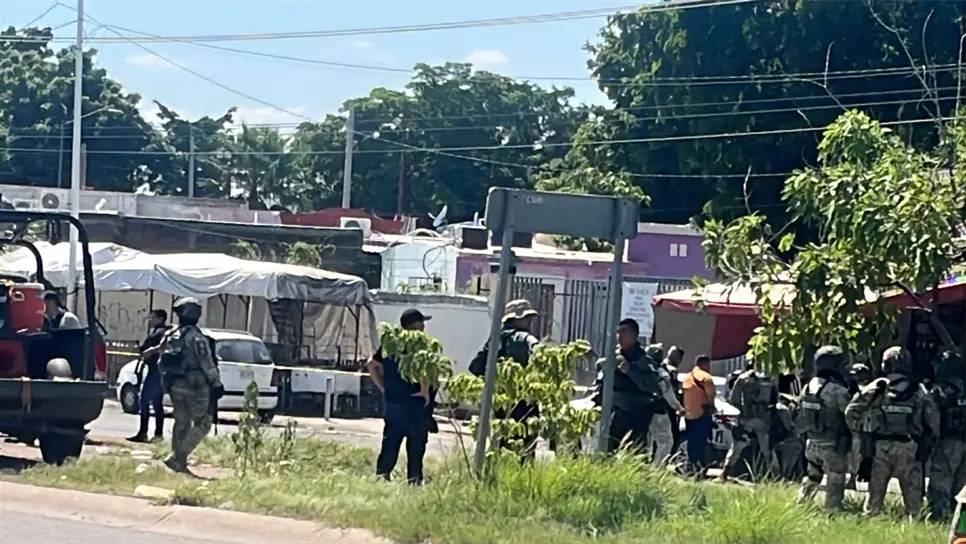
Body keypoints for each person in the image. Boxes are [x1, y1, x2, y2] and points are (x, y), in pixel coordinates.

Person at [845, 346, 941, 517]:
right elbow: (933, 422)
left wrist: (861, 434)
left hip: (880, 448)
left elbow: (851, 411)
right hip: (910, 447)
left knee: (873, 502)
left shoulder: (878, 386)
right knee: (914, 507)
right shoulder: (918, 389)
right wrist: (928, 441)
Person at [367, 308, 433, 484]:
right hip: (414, 401)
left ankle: (382, 476)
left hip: (394, 401)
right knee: (416, 443)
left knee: (391, 441)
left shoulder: (391, 344)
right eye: (421, 323)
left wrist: (384, 387)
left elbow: (371, 365)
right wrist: (425, 390)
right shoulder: (419, 345)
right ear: (415, 325)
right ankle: (414, 480)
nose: (424, 326)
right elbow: (422, 369)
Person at [469, 299, 541, 460]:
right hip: (525, 401)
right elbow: (540, 358)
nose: (529, 322)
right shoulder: (525, 339)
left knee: (501, 444)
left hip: (501, 402)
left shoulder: (495, 339)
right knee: (526, 449)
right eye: (526, 318)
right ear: (515, 319)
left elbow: (475, 367)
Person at [158, 297, 223, 474]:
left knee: (182, 422)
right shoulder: (196, 338)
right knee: (204, 423)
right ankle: (179, 456)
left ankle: (178, 463)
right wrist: (216, 383)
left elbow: (161, 361)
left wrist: (167, 383)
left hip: (175, 385)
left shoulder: (170, 335)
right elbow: (206, 362)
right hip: (196, 385)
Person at [796, 345, 853, 511]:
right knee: (835, 478)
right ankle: (832, 511)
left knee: (813, 476)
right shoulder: (838, 390)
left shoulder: (808, 386)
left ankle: (801, 505)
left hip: (812, 442)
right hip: (832, 445)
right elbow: (851, 415)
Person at [600, 318, 662, 454]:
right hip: (617, 413)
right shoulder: (613, 358)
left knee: (637, 453)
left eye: (624, 332)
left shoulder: (644, 360)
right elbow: (602, 383)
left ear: (634, 335)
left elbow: (653, 387)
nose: (619, 336)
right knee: (607, 450)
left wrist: (631, 371)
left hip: (638, 413)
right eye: (617, 332)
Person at [718, 359, 778, 481]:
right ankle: (777, 477)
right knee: (768, 449)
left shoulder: (743, 378)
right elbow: (774, 400)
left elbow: (733, 399)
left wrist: (739, 414)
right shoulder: (770, 380)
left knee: (737, 447)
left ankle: (724, 474)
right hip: (762, 419)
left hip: (746, 418)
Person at [927, 350, 966, 520]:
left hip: (948, 440)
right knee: (961, 484)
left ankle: (939, 517)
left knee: (940, 481)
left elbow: (932, 416)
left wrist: (931, 438)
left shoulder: (941, 390)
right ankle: (958, 520)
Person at [128, 309, 170, 443]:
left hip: (156, 370)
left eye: (153, 317)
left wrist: (147, 350)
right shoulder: (159, 332)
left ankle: (143, 432)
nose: (150, 320)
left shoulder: (160, 332)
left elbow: (152, 346)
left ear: (160, 318)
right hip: (156, 369)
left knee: (143, 399)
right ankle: (157, 434)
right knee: (157, 403)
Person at [647, 343, 685, 465]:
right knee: (666, 441)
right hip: (659, 410)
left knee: (645, 440)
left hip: (638, 409)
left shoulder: (638, 369)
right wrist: (678, 407)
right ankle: (657, 469)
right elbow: (668, 392)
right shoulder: (661, 373)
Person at [681, 354, 716, 475]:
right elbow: (711, 395)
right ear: (705, 364)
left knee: (691, 442)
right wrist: (711, 407)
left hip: (689, 414)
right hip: (702, 414)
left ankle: (690, 467)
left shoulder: (687, 377)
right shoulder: (706, 377)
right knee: (700, 443)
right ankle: (699, 469)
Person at [663, 346, 685, 451]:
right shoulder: (672, 371)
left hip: (658, 406)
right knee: (670, 436)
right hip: (668, 407)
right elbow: (672, 391)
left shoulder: (660, 366)